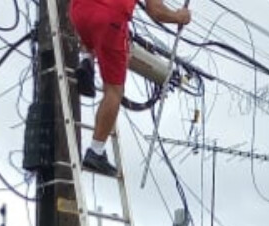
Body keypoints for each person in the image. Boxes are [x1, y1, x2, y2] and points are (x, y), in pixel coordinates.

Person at [70, 0, 192, 178]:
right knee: (114, 91)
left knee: (92, 27)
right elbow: (156, 11)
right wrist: (178, 17)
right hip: (109, 20)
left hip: (78, 11)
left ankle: (87, 58)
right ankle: (96, 151)